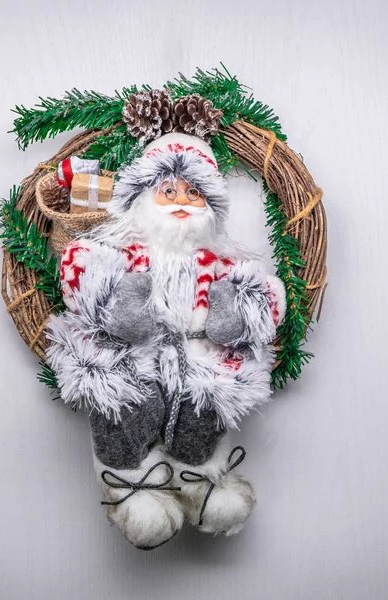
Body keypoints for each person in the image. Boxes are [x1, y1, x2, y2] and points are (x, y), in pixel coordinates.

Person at [46, 132, 286, 549]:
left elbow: (268, 295)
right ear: (143, 198)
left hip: (197, 355)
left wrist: (237, 308)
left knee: (204, 408)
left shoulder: (220, 262)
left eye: (194, 193)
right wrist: (117, 301)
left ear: (211, 208)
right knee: (123, 405)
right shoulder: (125, 251)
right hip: (136, 355)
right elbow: (78, 266)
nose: (181, 202)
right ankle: (130, 486)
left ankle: (201, 480)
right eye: (169, 191)